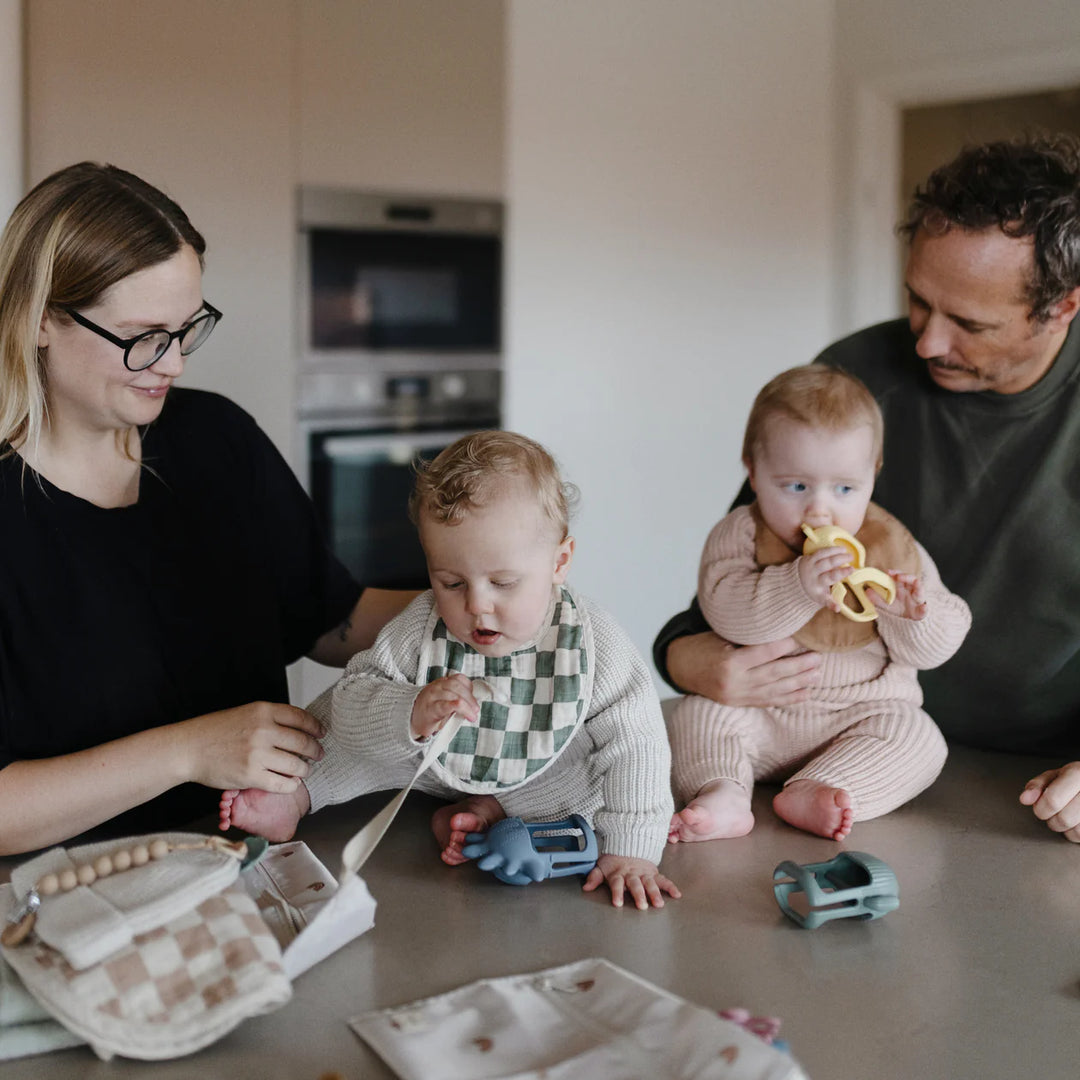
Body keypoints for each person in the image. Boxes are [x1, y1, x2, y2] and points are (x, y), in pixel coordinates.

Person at [655, 133, 1080, 842]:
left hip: (1031, 788)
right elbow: (735, 575)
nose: (927, 343)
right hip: (810, 756)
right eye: (917, 300)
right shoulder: (853, 380)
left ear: (1063, 308)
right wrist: (682, 654)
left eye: (969, 323)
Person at [0, 162, 413, 857]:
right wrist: (190, 750)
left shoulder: (214, 438)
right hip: (75, 910)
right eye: (144, 336)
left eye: (188, 328)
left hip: (253, 864)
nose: (174, 363)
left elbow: (329, 620)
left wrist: (487, 606)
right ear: (42, 320)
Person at [220, 430, 680, 911]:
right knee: (344, 721)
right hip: (431, 764)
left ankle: (486, 811)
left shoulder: (592, 641)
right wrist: (409, 712)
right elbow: (354, 697)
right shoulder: (421, 626)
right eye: (451, 581)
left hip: (539, 772)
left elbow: (637, 742)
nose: (477, 606)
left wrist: (631, 850)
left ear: (559, 561)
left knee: (590, 780)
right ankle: (295, 795)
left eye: (503, 582)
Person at [668, 366, 970, 843]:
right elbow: (724, 610)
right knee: (689, 715)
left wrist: (912, 615)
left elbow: (934, 647)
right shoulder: (741, 532)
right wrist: (794, 586)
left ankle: (823, 788)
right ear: (752, 469)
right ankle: (722, 791)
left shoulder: (891, 545)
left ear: (872, 474)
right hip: (758, 714)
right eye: (796, 486)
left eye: (845, 489)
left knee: (921, 738)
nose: (820, 510)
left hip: (859, 716)